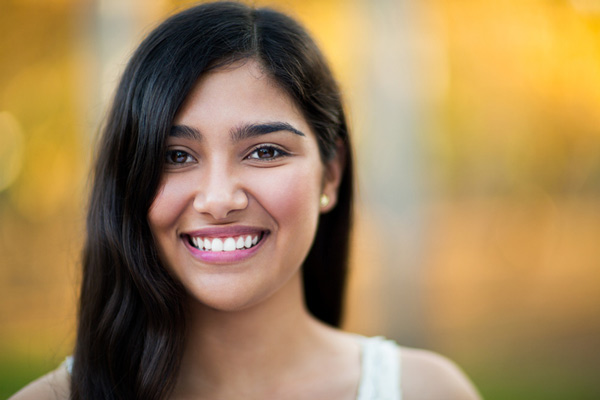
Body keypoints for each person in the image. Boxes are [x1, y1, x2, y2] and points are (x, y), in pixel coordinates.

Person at [11, 2, 481, 399]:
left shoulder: (425, 390)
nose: (219, 199)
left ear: (331, 174)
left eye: (265, 151)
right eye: (175, 155)